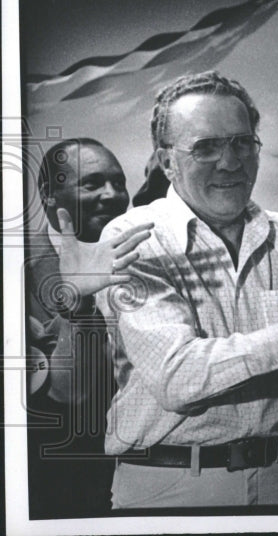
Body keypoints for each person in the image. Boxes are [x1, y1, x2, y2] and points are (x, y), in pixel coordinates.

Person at [94, 71, 278, 508]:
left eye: (241, 142)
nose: (230, 162)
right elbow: (179, 378)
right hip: (169, 485)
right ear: (166, 161)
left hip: (277, 479)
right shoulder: (133, 236)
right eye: (206, 147)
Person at [24, 137, 152, 517]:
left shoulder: (140, 255)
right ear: (49, 195)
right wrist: (79, 304)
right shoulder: (18, 272)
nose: (112, 195)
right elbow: (69, 394)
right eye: (92, 183)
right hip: (59, 483)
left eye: (118, 182)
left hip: (145, 473)